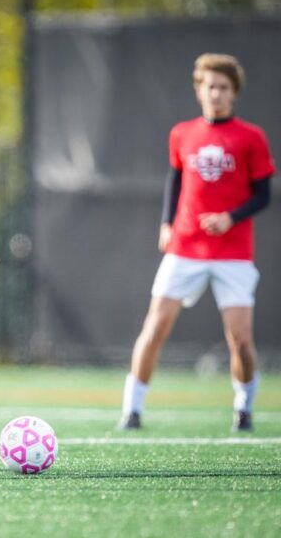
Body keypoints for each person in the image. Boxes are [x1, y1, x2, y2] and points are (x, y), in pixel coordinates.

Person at [118, 53, 275, 432]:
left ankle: (244, 405)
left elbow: (264, 194)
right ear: (198, 90)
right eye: (210, 86)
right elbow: (175, 181)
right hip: (185, 248)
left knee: (239, 340)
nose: (216, 93)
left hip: (233, 253)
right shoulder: (182, 133)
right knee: (154, 327)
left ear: (233, 93)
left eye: (223, 87)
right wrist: (167, 224)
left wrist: (230, 218)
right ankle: (132, 410)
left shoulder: (251, 137)